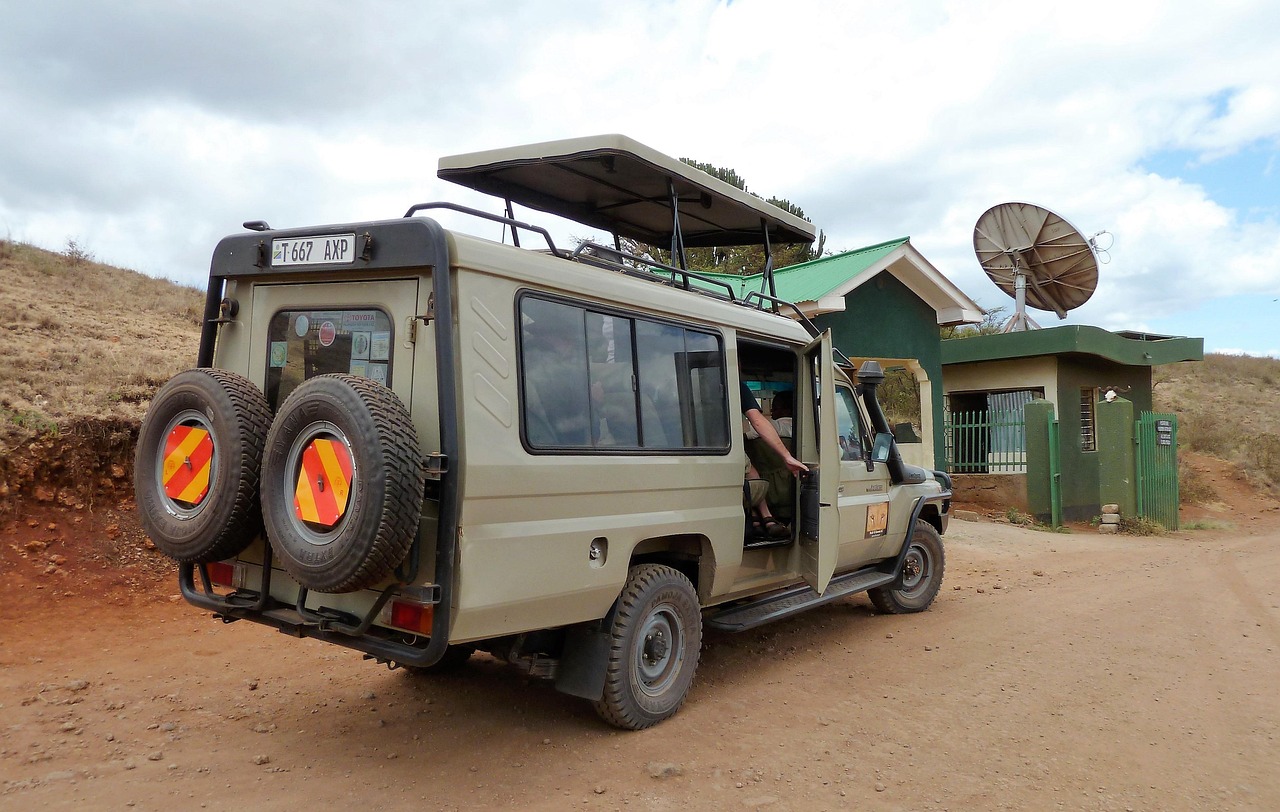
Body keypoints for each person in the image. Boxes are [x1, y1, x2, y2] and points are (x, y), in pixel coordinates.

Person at [741, 382, 807, 540]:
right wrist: (786, 456)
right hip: (793, 494)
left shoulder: (768, 428)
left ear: (786, 410)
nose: (771, 412)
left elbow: (753, 426)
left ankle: (758, 517)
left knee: (748, 472)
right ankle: (767, 519)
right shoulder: (809, 431)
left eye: (774, 409)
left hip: (767, 491)